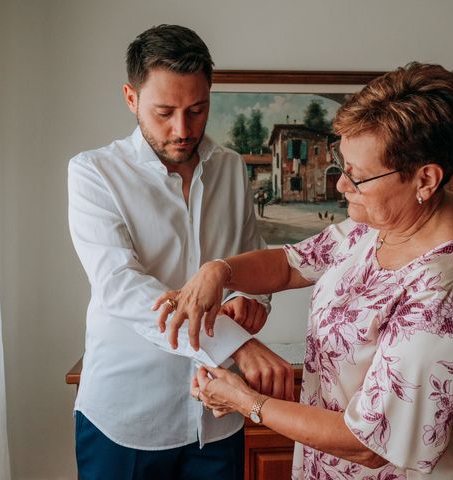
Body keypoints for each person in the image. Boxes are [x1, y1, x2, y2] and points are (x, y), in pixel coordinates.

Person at [156, 62, 453, 479]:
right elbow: (289, 265)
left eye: (356, 178)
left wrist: (245, 401)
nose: (341, 186)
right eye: (343, 169)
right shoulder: (379, 223)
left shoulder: (444, 289)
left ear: (425, 179)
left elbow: (368, 443)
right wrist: (220, 271)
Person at [67, 24, 294, 480]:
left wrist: (250, 301)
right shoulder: (93, 173)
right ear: (131, 99)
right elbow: (120, 288)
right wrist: (238, 343)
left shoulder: (231, 168)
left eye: (197, 110)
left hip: (218, 414)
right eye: (164, 112)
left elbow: (251, 256)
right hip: (127, 419)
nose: (181, 129)